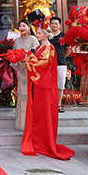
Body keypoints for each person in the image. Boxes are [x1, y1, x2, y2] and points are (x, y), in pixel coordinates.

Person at [21, 27, 75, 161]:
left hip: (45, 86)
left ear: (46, 34)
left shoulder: (49, 48)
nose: (37, 35)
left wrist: (30, 56)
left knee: (44, 114)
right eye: (37, 33)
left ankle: (43, 143)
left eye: (40, 33)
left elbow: (42, 65)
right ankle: (37, 141)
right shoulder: (40, 47)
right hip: (40, 84)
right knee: (39, 113)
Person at [13, 19, 40, 131]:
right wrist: (16, 59)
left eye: (24, 26)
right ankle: (21, 122)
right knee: (21, 93)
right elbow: (13, 56)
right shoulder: (17, 41)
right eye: (20, 26)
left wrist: (28, 60)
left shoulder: (33, 40)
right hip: (20, 69)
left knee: (30, 94)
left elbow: (37, 55)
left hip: (30, 70)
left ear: (29, 27)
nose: (22, 28)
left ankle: (30, 122)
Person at [49, 17, 68, 113]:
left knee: (60, 86)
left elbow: (68, 49)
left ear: (60, 25)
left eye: (56, 23)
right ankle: (50, 104)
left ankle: (58, 104)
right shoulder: (48, 36)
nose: (54, 25)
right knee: (50, 86)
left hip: (61, 64)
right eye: (52, 23)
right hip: (49, 65)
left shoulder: (64, 36)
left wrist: (63, 56)